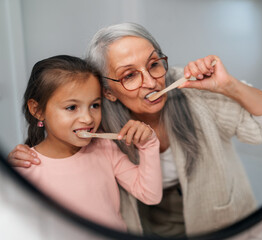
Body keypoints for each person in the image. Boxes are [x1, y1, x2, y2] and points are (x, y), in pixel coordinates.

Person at [8, 23, 262, 237]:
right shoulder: (95, 124)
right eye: (129, 75)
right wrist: (23, 159)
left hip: (228, 221)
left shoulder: (192, 87)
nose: (152, 82)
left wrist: (228, 86)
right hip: (156, 226)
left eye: (154, 64)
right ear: (107, 92)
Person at [13, 55, 162, 232]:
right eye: (71, 107)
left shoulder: (105, 148)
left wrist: (149, 145)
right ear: (37, 110)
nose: (88, 118)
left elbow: (150, 196)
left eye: (95, 105)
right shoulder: (26, 168)